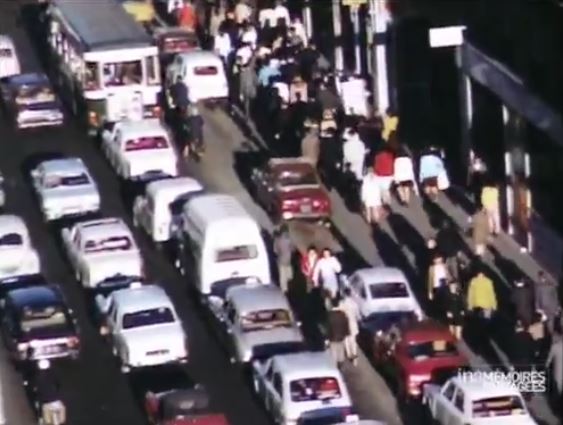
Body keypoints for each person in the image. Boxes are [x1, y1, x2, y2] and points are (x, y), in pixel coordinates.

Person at [34, 359, 66, 425]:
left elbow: (36, 389)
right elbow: (58, 384)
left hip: (46, 401)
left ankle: (40, 420)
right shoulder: (53, 375)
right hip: (56, 400)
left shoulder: (37, 377)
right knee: (62, 419)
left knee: (44, 417)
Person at [340, 287, 360, 365]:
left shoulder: (342, 303)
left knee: (346, 341)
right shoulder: (354, 304)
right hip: (353, 324)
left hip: (345, 324)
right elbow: (357, 315)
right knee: (353, 341)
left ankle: (349, 355)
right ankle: (355, 359)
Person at [327, 297, 350, 366]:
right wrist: (345, 334)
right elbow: (346, 326)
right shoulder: (343, 314)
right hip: (341, 338)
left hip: (332, 339)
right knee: (341, 358)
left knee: (333, 358)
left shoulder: (329, 315)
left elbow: (327, 327)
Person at [273, 224, 294, 294]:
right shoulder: (290, 239)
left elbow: (275, 251)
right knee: (289, 276)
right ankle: (289, 289)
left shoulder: (277, 240)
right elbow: (293, 249)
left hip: (280, 260)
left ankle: (284, 291)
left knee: (282, 277)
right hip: (289, 260)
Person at [545, 331, 563, 396]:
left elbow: (548, 362)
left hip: (558, 373)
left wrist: (546, 367)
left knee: (559, 390)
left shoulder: (555, 346)